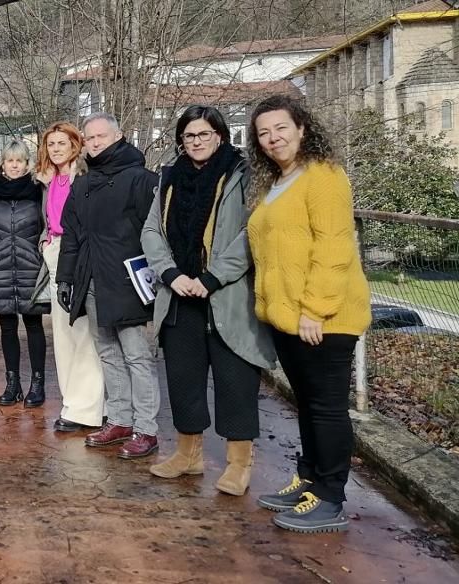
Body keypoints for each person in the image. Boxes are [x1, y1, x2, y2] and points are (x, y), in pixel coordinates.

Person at [245, 95, 370, 533]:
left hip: (324, 318)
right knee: (309, 406)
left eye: (280, 128)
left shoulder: (324, 177)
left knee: (327, 408)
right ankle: (310, 482)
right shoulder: (277, 182)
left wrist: (316, 309)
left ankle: (331, 499)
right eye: (263, 132)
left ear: (302, 127)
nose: (272, 138)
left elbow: (334, 247)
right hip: (288, 317)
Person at [141, 106, 276, 496]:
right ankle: (189, 455)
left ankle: (238, 463)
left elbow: (253, 232)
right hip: (179, 295)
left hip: (226, 296)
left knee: (235, 380)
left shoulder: (244, 175)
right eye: (189, 136)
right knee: (183, 379)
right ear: (180, 141)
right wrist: (172, 275)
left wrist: (213, 277)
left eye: (204, 134)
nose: (196, 142)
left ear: (219, 134)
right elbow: (152, 231)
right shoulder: (168, 177)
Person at [55, 112, 161, 458]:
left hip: (127, 280)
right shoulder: (83, 184)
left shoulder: (142, 180)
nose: (95, 143)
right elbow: (71, 234)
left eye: (101, 136)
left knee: (136, 355)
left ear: (118, 136)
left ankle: (147, 428)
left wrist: (159, 276)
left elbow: (157, 233)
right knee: (108, 353)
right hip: (91, 280)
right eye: (89, 138)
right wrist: (66, 277)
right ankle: (120, 420)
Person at [36, 122, 104, 432]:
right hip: (55, 252)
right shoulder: (49, 179)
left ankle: (87, 409)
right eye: (51, 144)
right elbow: (48, 217)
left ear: (74, 145)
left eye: (62, 143)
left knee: (82, 331)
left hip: (79, 253)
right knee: (62, 333)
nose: (56, 149)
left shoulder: (84, 177)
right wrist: (46, 239)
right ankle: (73, 402)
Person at [0, 141, 48, 407]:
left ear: (27, 164)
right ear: (3, 164)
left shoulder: (38, 191)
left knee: (33, 325)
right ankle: (13, 383)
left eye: (20, 161)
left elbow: (48, 227)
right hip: (2, 270)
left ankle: (37, 384)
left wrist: (42, 260)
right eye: (10, 160)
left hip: (32, 270)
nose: (15, 165)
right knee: (7, 328)